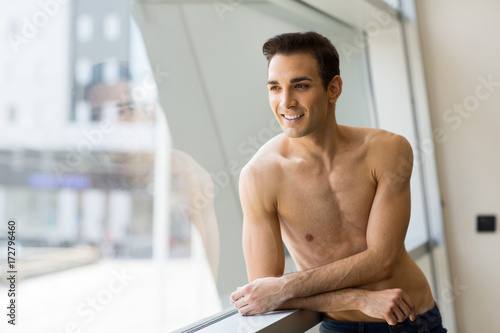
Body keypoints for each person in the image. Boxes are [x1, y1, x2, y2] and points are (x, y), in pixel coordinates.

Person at [229, 32, 447, 332]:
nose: (286, 101)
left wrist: (285, 287)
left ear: (333, 89)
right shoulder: (260, 176)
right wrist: (356, 299)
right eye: (275, 88)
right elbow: (265, 293)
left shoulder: (387, 150)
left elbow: (382, 260)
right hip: (339, 328)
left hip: (412, 321)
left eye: (300, 86)